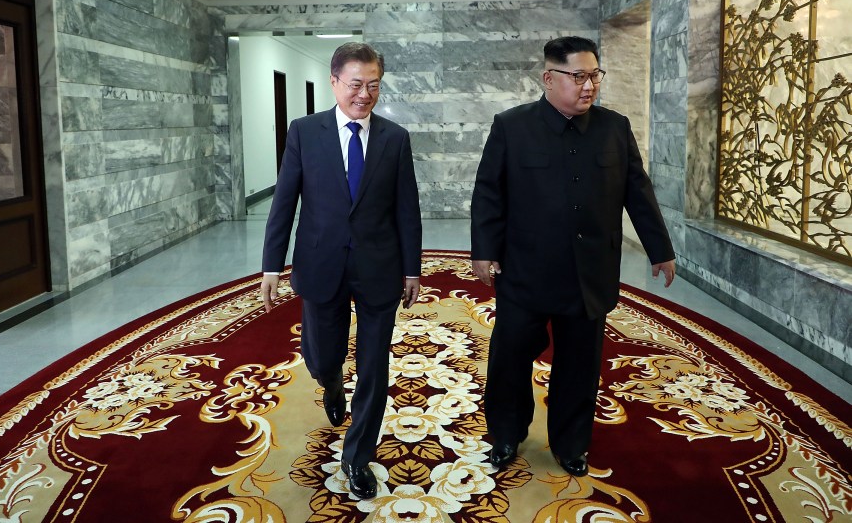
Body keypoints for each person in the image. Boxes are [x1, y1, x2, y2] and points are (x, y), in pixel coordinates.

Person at [470, 36, 676, 477]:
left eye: (595, 76)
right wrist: (484, 252)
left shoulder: (614, 127)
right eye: (578, 76)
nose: (589, 86)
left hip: (589, 275)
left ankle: (570, 443)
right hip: (525, 272)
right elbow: (489, 193)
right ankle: (506, 434)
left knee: (580, 366)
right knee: (509, 359)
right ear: (549, 78)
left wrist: (659, 249)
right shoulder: (511, 126)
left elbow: (637, 192)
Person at [260, 42, 422, 500]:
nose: (364, 94)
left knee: (375, 365)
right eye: (355, 84)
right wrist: (272, 263)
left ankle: (358, 456)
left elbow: (406, 208)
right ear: (334, 82)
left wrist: (412, 268)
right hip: (321, 261)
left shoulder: (395, 138)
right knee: (322, 355)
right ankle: (331, 383)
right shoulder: (304, 132)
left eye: (373, 85)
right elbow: (285, 201)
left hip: (378, 268)